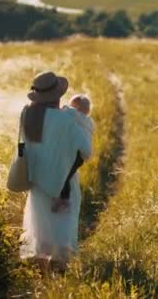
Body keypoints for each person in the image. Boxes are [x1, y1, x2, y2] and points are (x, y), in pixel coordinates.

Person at [19, 71, 92, 270]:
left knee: (41, 227)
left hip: (36, 181)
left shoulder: (27, 114)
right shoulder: (66, 120)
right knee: (63, 229)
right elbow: (87, 151)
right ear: (57, 95)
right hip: (63, 184)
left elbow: (24, 145)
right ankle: (59, 277)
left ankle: (42, 276)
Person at [53, 94, 95, 213]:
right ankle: (63, 199)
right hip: (81, 156)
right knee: (68, 175)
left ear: (76, 108)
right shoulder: (89, 121)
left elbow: (68, 111)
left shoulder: (74, 115)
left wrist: (62, 109)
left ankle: (63, 201)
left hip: (74, 153)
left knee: (65, 175)